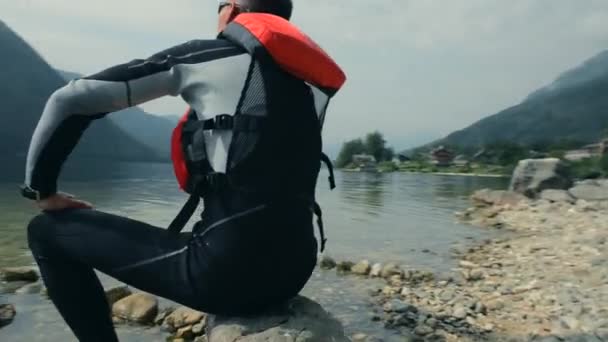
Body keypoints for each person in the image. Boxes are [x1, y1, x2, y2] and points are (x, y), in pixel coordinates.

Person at [20, 0, 346, 341]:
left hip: (223, 278)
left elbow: (70, 99)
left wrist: (41, 190)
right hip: (294, 271)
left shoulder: (210, 55)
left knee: (45, 231)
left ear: (232, 10)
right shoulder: (310, 84)